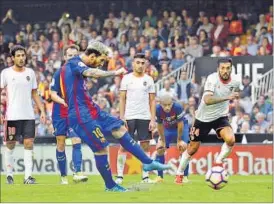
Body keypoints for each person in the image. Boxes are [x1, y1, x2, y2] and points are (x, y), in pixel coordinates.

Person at [59, 41, 170, 192]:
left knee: (119, 129)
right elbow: (92, 73)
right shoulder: (74, 63)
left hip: (92, 109)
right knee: (101, 148)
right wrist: (114, 72)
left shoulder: (77, 65)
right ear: (92, 55)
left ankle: (147, 162)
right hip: (80, 114)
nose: (101, 64)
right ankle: (110, 185)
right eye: (101, 60)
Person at [174, 57, 241, 184]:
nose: (225, 71)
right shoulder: (212, 79)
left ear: (231, 69)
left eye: (228, 68)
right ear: (218, 69)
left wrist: (234, 99)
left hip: (221, 117)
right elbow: (207, 100)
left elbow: (237, 91)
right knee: (193, 148)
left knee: (231, 139)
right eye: (222, 68)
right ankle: (179, 173)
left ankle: (219, 161)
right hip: (203, 118)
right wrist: (228, 97)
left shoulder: (236, 81)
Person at [0, 45, 46, 184]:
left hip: (28, 115)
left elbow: (34, 93)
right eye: (18, 56)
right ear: (12, 58)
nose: (21, 58)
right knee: (10, 144)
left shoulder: (30, 73)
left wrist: (42, 110)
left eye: (23, 55)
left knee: (28, 143)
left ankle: (28, 177)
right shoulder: (6, 73)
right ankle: (9, 174)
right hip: (12, 116)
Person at [115, 53, 156, 184]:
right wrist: (122, 117)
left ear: (146, 65)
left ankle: (145, 177)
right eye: (137, 62)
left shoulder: (149, 79)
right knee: (123, 146)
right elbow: (122, 98)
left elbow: (153, 100)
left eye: (142, 63)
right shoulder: (126, 79)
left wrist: (153, 119)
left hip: (145, 117)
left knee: (145, 146)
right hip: (129, 117)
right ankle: (120, 176)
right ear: (133, 63)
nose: (140, 65)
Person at [50, 44, 88, 184]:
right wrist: (63, 101)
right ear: (65, 57)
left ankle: (77, 172)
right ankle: (63, 176)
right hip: (60, 112)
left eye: (75, 55)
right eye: (69, 55)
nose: (72, 58)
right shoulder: (59, 73)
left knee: (76, 140)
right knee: (60, 143)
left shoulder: (81, 73)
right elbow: (52, 94)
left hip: (74, 112)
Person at [154, 94, 190, 184]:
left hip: (181, 127)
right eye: (165, 105)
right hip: (168, 128)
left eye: (169, 105)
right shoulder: (157, 109)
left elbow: (180, 125)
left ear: (172, 103)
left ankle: (184, 176)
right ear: (160, 104)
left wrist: (179, 140)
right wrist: (162, 140)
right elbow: (159, 125)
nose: (167, 107)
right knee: (159, 149)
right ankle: (160, 177)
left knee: (184, 148)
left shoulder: (177, 107)